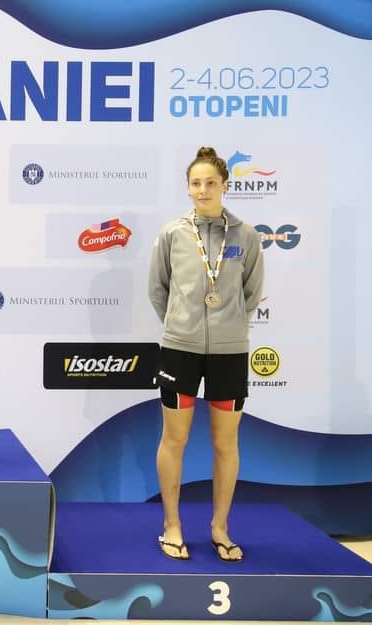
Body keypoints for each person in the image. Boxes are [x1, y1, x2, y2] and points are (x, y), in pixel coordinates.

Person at [148, 146, 264, 561]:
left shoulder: (246, 236)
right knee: (174, 438)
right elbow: (158, 289)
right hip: (179, 349)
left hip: (229, 354)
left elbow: (251, 294)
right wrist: (181, 324)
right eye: (195, 183)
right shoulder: (173, 233)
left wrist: (227, 324)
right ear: (188, 188)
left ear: (225, 185)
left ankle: (220, 527)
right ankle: (172, 525)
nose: (202, 189)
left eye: (210, 182)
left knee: (225, 443)